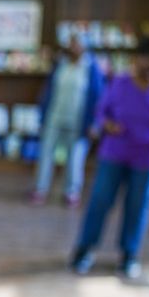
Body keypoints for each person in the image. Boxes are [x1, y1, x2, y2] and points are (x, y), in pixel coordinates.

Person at [71, 35, 149, 279]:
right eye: (145, 58)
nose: (148, 64)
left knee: (138, 205)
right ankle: (85, 249)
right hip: (116, 151)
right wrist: (107, 124)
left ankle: (129, 254)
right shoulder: (122, 82)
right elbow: (102, 110)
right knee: (101, 200)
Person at [30, 35, 104, 207]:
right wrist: (42, 115)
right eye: (71, 44)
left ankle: (71, 192)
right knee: (45, 154)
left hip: (79, 122)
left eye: (77, 44)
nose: (73, 47)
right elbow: (48, 91)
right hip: (54, 117)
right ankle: (40, 189)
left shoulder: (91, 68)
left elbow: (98, 97)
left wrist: (94, 123)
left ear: (85, 47)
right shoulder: (60, 64)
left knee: (75, 158)